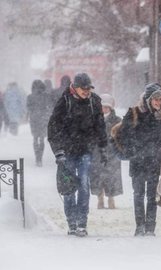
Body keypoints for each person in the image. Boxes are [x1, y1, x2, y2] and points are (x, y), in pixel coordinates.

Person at [113, 82, 161, 236]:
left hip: (154, 161)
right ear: (148, 99)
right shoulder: (134, 113)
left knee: (152, 196)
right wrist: (132, 150)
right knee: (138, 194)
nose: (159, 103)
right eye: (156, 99)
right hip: (138, 161)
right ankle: (140, 226)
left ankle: (150, 228)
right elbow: (122, 135)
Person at [48, 73, 107, 237]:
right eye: (84, 88)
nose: (87, 91)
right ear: (75, 87)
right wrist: (58, 151)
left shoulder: (94, 101)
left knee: (83, 185)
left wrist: (102, 147)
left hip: (85, 150)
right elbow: (53, 128)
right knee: (69, 188)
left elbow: (100, 125)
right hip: (67, 151)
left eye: (89, 88)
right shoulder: (65, 101)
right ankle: (71, 222)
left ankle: (82, 222)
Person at [90, 93, 123, 209]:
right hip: (97, 152)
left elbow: (121, 136)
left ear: (110, 108)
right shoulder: (93, 120)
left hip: (112, 152)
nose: (104, 109)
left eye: (106, 107)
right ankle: (100, 197)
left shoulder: (117, 120)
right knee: (98, 175)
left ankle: (111, 198)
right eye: (102, 107)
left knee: (111, 176)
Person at [27, 80, 50, 166]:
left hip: (34, 119)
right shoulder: (46, 96)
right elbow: (49, 107)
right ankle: (40, 158)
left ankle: (37, 157)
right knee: (42, 139)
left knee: (35, 138)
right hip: (43, 119)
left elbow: (28, 108)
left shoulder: (30, 96)